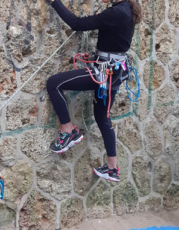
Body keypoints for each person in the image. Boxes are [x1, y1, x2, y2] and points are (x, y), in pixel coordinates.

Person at [47, 0, 142, 182]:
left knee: (54, 83)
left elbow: (77, 24)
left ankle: (68, 131)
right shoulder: (127, 9)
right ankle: (112, 168)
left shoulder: (117, 12)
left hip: (105, 72)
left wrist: (55, 3)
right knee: (102, 117)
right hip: (114, 72)